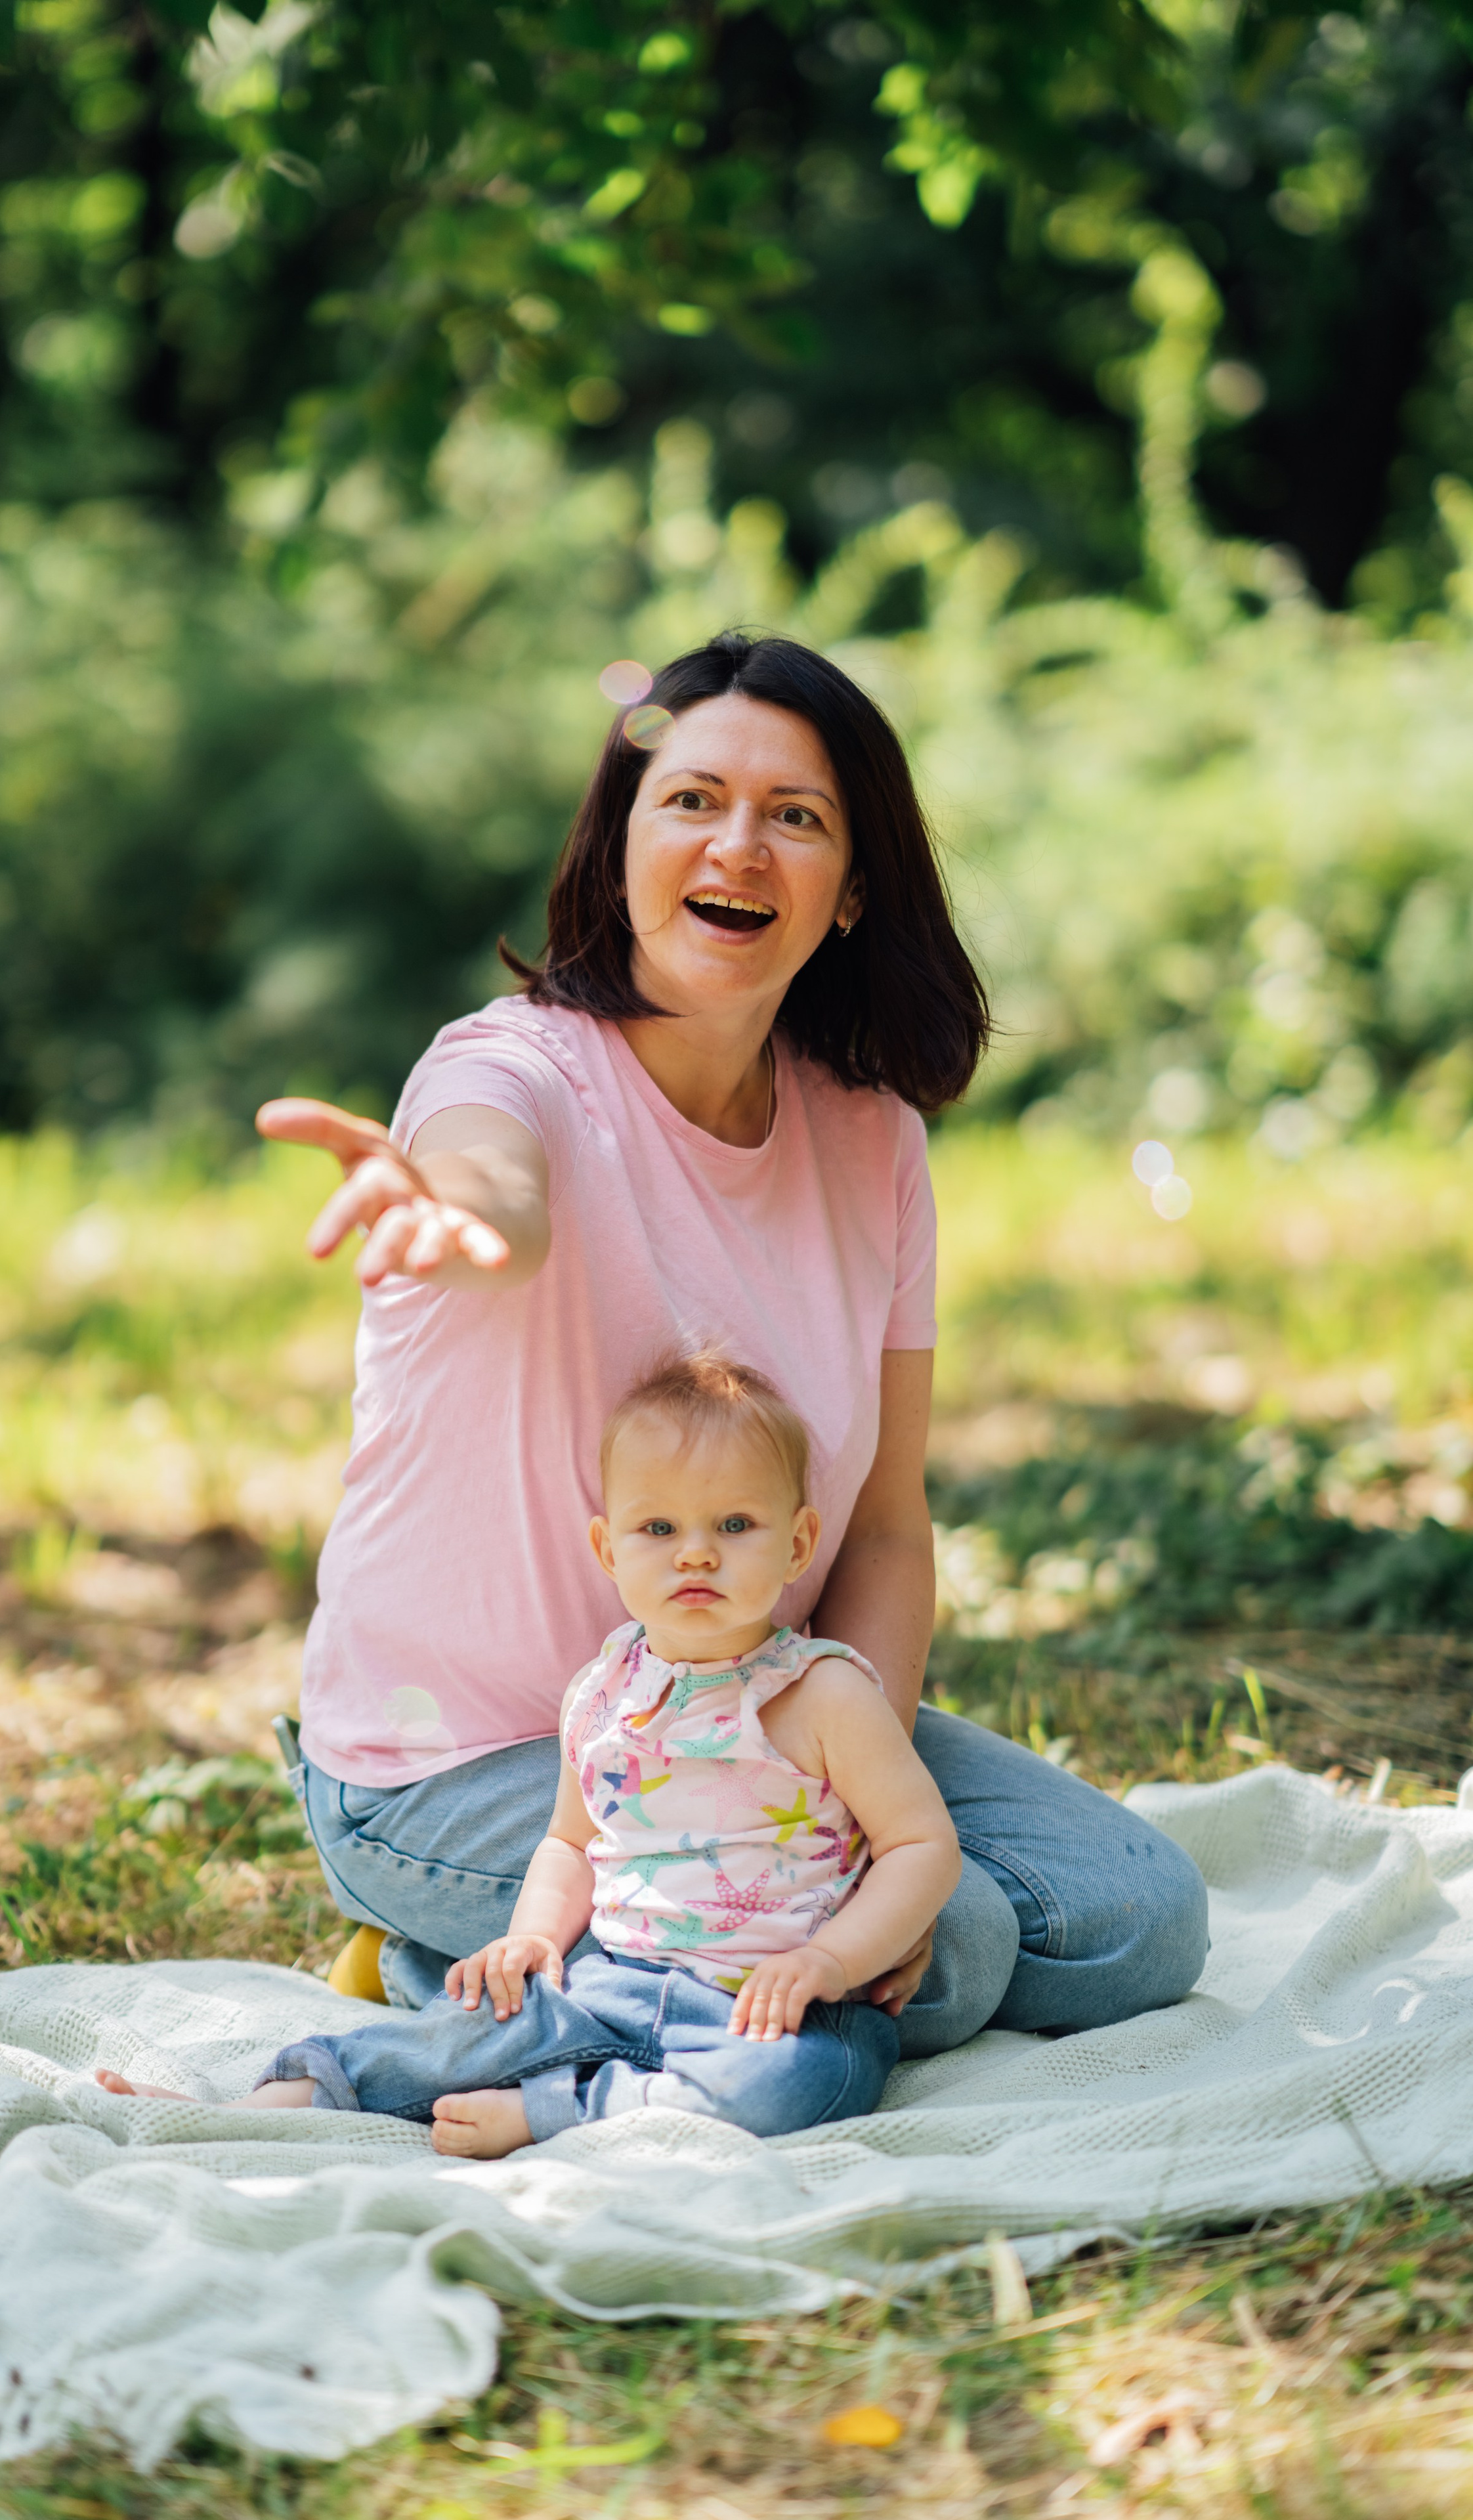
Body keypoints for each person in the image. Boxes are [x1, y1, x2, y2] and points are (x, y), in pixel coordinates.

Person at [253, 632, 1207, 2049]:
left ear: (852, 888)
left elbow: (883, 1527)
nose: (738, 846)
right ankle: (435, 1959)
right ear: (619, 845)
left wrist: (851, 1806)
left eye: (796, 816)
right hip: (460, 1765)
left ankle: (582, 1984)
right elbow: (490, 1172)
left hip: (758, 1708)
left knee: (1134, 1916)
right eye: (691, 799)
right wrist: (452, 1209)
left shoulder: (871, 1137)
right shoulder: (510, 1069)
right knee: (949, 1952)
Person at [96, 1355, 961, 2150]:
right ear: (608, 1549)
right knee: (468, 2029)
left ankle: (556, 2109)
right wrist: (533, 1940)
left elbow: (921, 1844)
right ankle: (255, 2107)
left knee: (808, 2084)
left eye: (736, 1523)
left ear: (799, 1544)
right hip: (614, 1978)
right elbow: (570, 1844)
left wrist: (831, 1960)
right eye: (658, 1527)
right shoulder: (605, 1693)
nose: (697, 1551)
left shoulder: (823, 1694)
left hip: (776, 2008)